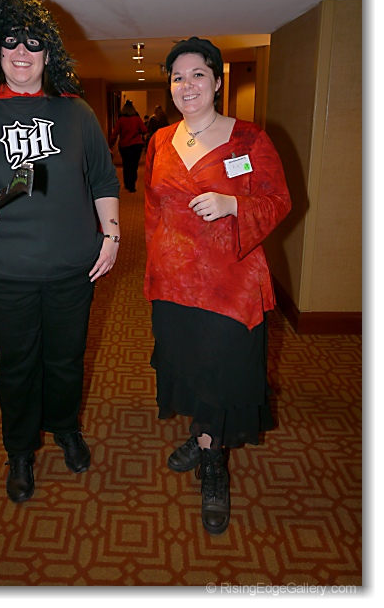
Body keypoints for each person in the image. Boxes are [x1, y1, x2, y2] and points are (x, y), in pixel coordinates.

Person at [0, 0, 120, 504]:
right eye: (11, 41)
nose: (21, 51)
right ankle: (19, 449)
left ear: (47, 52)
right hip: (4, 272)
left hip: (72, 269)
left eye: (33, 42)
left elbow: (104, 180)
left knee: (66, 360)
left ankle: (65, 427)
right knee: (16, 365)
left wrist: (112, 236)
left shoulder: (76, 111)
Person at [144, 37, 291, 535]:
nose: (187, 85)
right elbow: (152, 209)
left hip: (231, 281)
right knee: (188, 365)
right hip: (175, 280)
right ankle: (203, 435)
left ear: (217, 81)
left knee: (223, 369)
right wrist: (154, 268)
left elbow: (278, 200)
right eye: (178, 77)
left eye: (198, 74)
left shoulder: (249, 139)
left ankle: (213, 468)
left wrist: (234, 206)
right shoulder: (161, 140)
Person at [108, 99, 147, 192]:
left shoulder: (121, 120)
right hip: (136, 145)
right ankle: (132, 185)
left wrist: (110, 145)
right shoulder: (137, 119)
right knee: (134, 165)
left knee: (126, 165)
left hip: (124, 146)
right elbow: (144, 130)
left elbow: (115, 134)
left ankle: (127, 183)